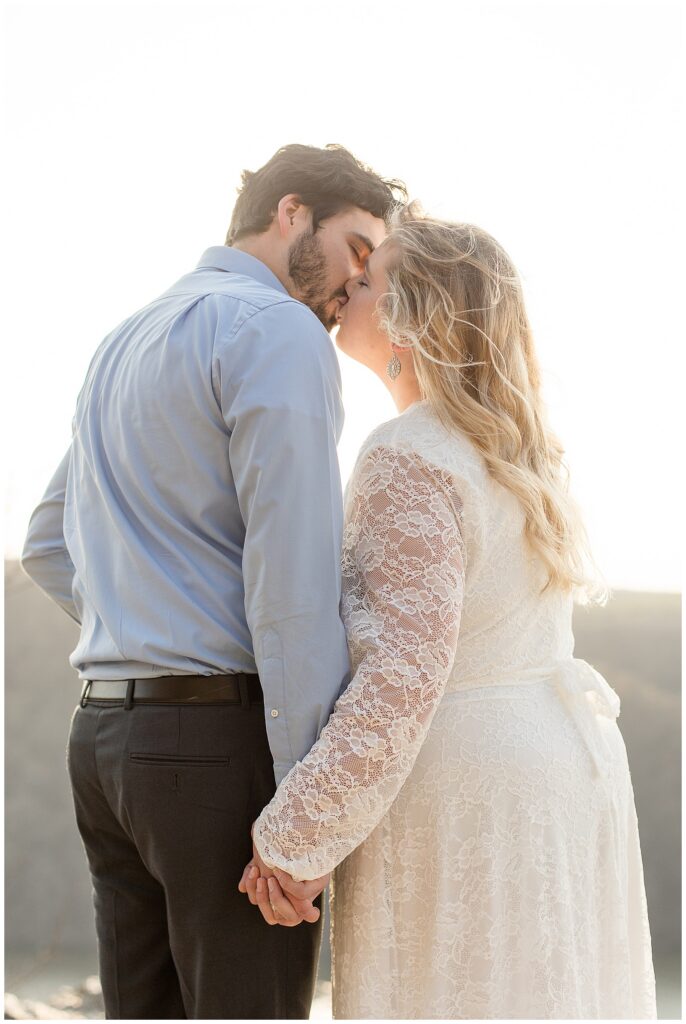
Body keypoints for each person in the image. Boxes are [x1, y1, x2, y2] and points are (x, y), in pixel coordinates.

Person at [20, 143, 406, 1020]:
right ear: (292, 211)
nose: (355, 285)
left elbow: (48, 539)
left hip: (105, 748)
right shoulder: (278, 333)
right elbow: (293, 590)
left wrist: (149, 624)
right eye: (356, 249)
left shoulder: (125, 336)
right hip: (215, 753)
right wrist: (306, 818)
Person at [239, 214, 658, 1019]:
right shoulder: (518, 453)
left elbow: (402, 673)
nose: (346, 288)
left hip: (470, 798)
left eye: (368, 279)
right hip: (562, 772)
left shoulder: (408, 454)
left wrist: (294, 838)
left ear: (412, 318)